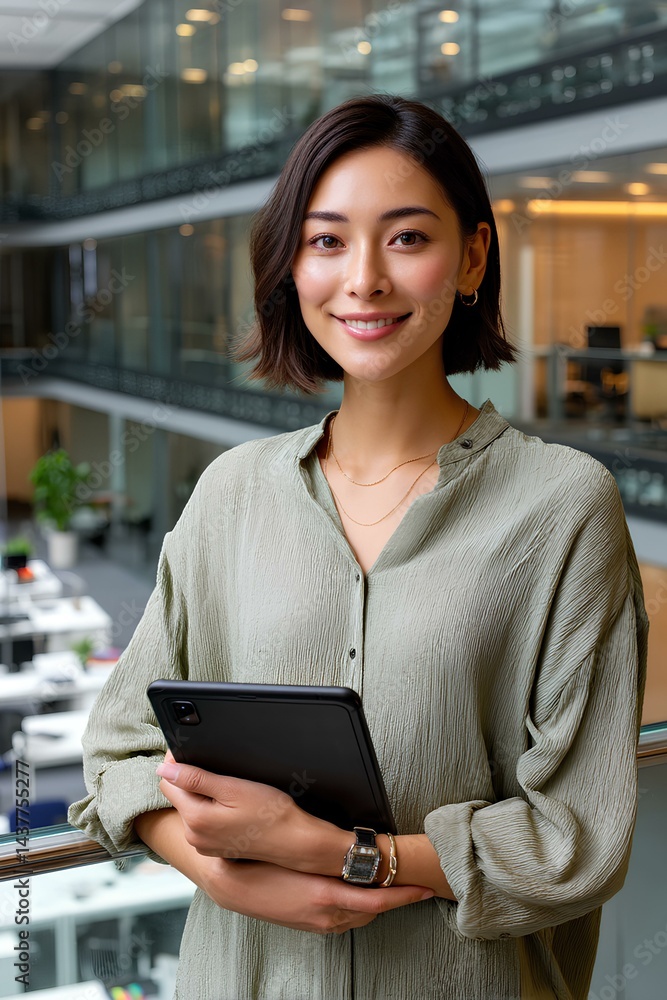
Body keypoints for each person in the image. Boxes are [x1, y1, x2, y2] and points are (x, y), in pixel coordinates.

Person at [69, 94, 648, 1000]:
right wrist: (212, 866)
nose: (364, 280)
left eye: (407, 238)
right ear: (291, 266)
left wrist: (346, 857)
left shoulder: (564, 506)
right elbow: (115, 750)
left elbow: (576, 836)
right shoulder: (230, 493)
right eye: (327, 240)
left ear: (471, 257)